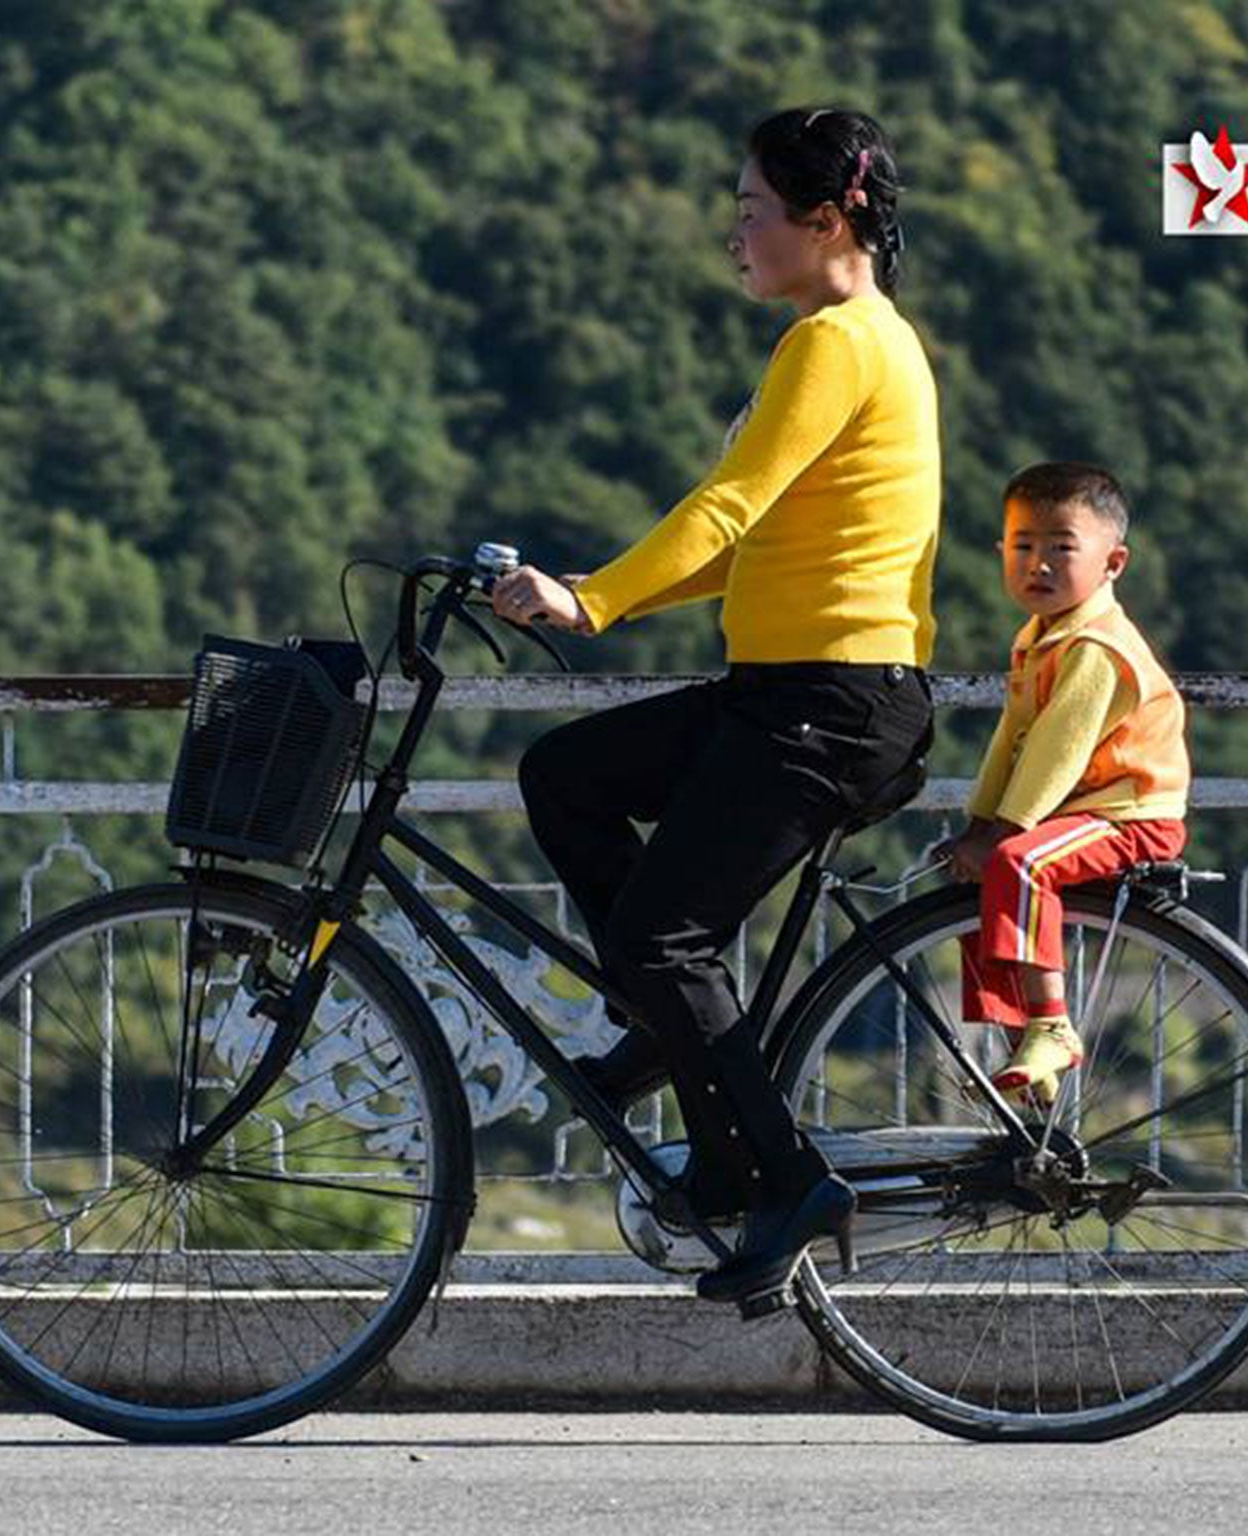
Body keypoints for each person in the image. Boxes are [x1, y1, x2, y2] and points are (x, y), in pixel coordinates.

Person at [487, 107, 940, 1312]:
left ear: (825, 220)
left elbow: (725, 505)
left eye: (750, 212)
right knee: (565, 777)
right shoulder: (838, 341)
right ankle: (665, 1033)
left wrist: (588, 600)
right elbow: (729, 545)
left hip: (832, 704)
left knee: (662, 934)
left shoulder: (836, 341)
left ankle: (784, 1180)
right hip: (788, 692)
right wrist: (591, 603)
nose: (733, 233)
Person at [933, 462, 1191, 1106]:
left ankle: (1051, 1026)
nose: (1037, 564)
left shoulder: (1096, 648)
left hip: (1131, 812)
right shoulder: (1040, 638)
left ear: (1114, 562)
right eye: (1023, 546)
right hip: (1085, 808)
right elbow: (1009, 740)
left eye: (1061, 548)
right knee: (979, 878)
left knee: (1018, 864)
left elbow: (1056, 751)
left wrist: (1003, 831)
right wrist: (977, 823)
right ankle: (1021, 1041)